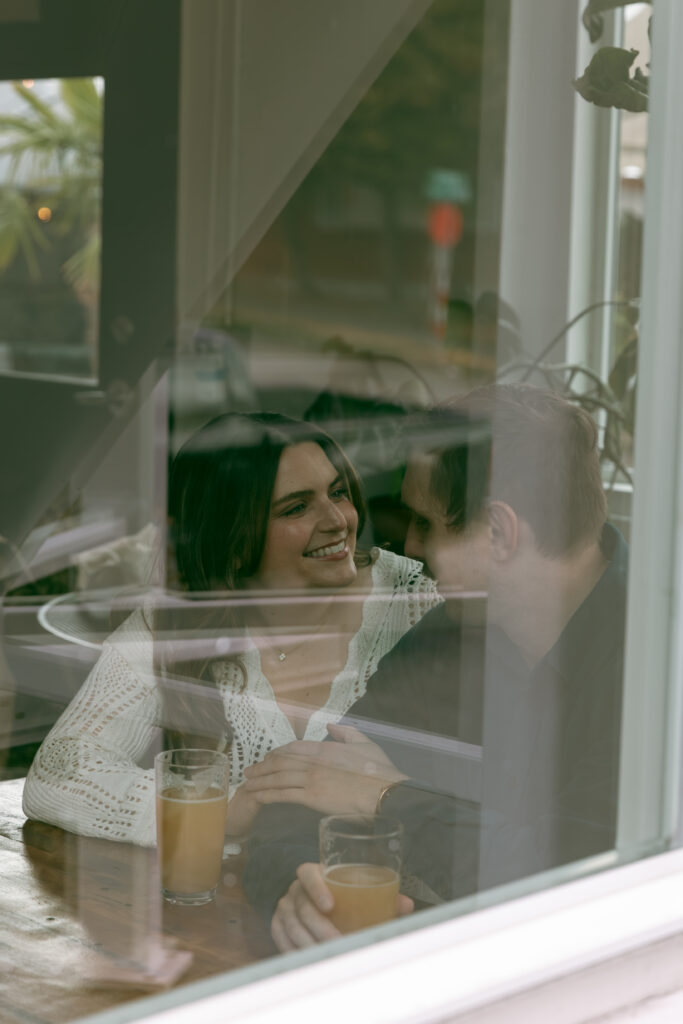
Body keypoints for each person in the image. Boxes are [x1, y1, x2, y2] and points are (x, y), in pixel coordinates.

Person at [241, 385, 627, 951]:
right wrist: (298, 893)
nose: (410, 545)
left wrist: (385, 798)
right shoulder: (458, 627)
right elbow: (304, 790)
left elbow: (570, 886)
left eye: (424, 522)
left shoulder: (655, 671)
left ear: (499, 532)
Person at [22, 413, 439, 845]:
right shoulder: (175, 622)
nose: (338, 520)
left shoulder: (416, 600)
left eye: (338, 492)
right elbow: (57, 772)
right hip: (231, 886)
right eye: (296, 507)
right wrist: (223, 811)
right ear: (232, 540)